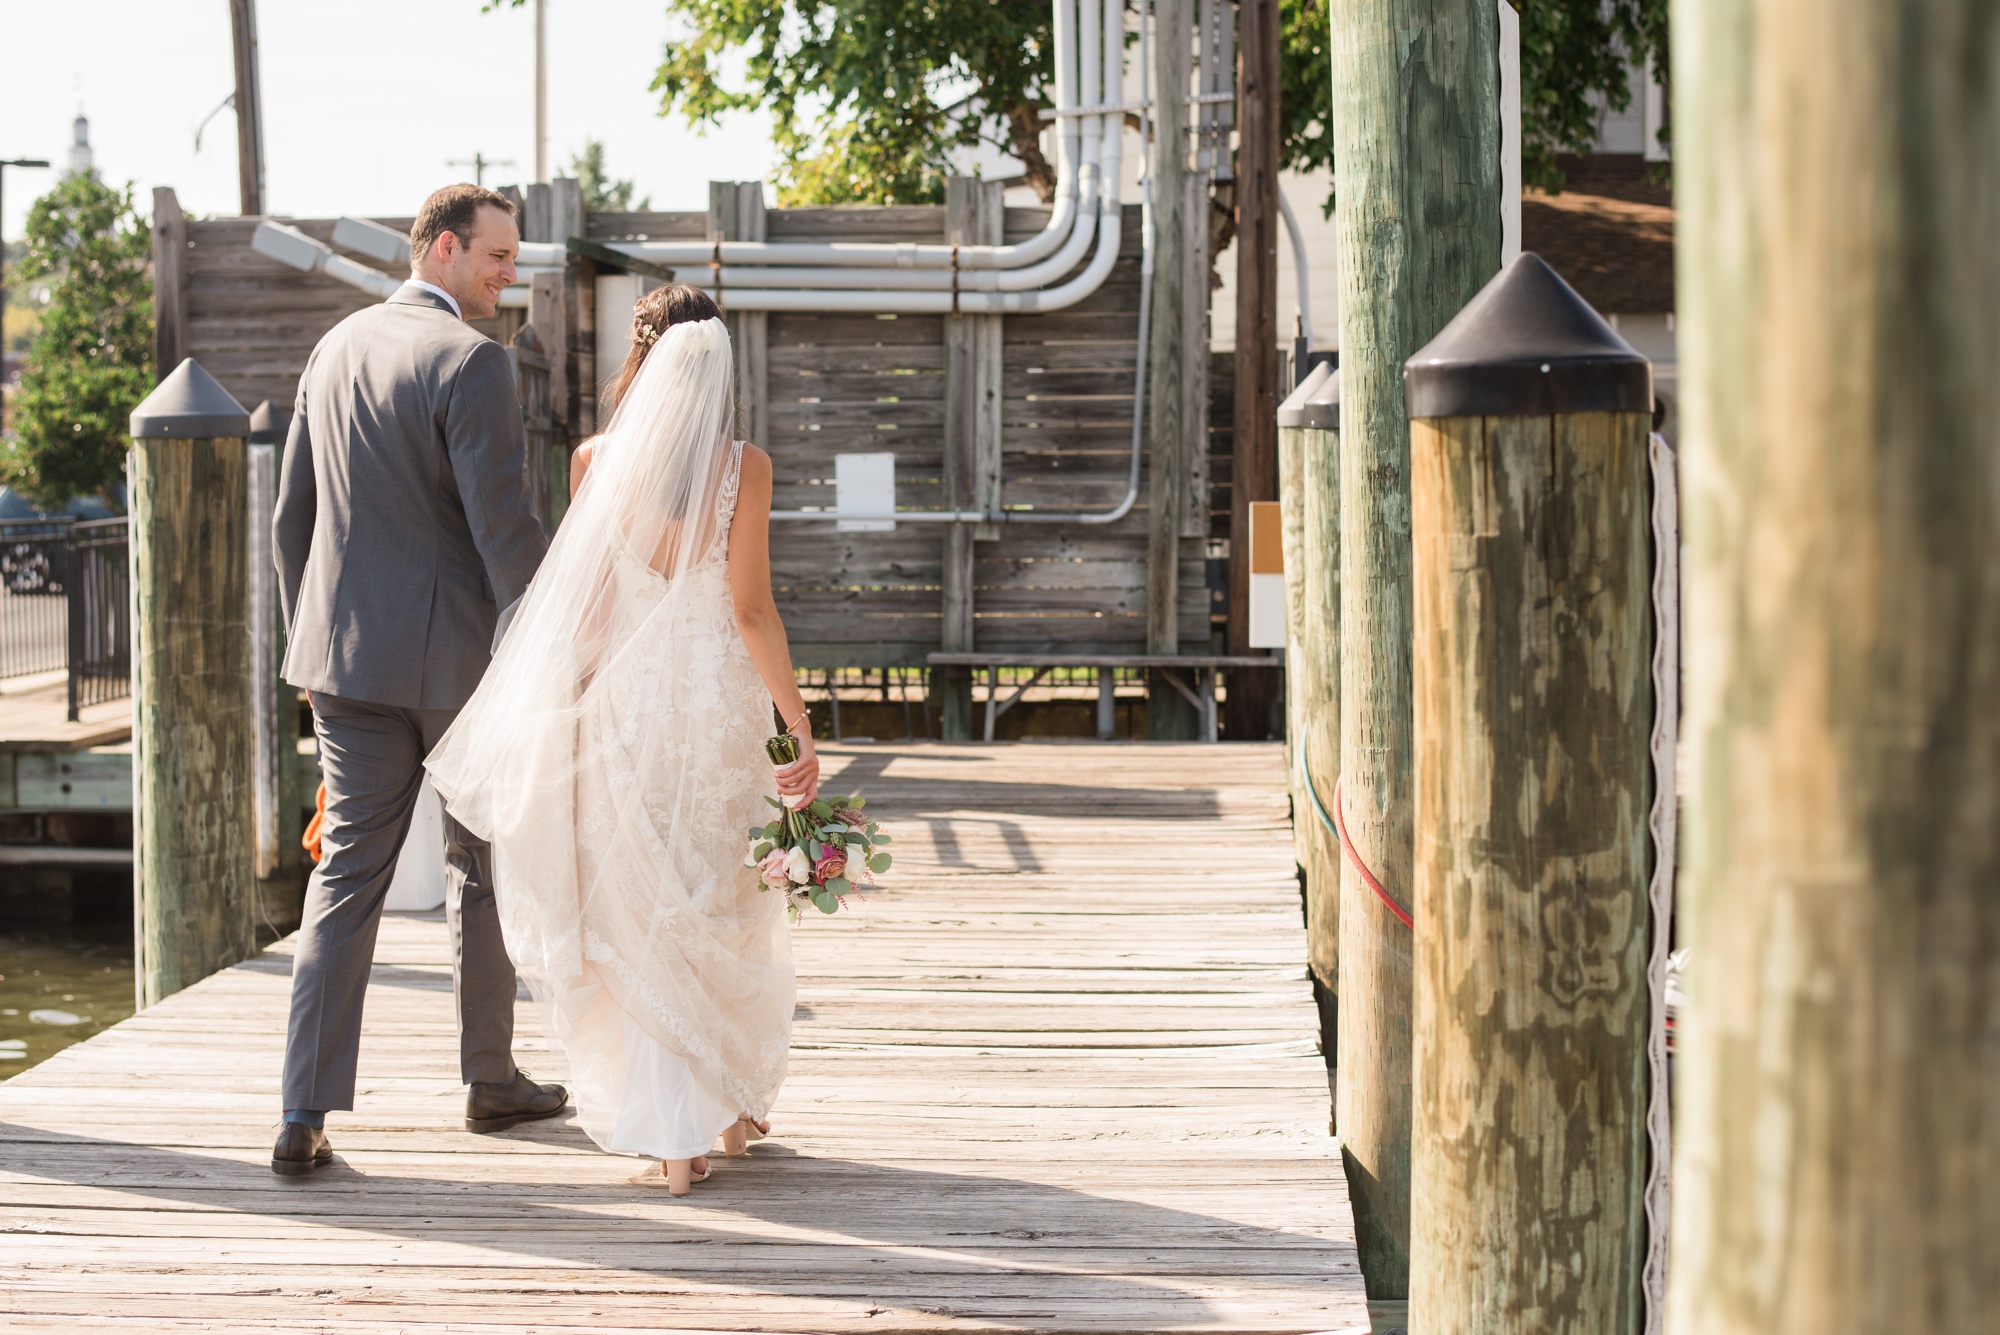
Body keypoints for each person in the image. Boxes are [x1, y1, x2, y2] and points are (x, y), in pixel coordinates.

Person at [427, 285, 820, 1195]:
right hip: (715, 702)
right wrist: (798, 726)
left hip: (628, 704)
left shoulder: (594, 460)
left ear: (640, 356)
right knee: (716, 899)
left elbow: (593, 607)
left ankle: (682, 1135)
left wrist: (562, 712)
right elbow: (752, 610)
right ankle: (715, 1123)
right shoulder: (743, 468)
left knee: (644, 912)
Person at [269, 184, 565, 1176]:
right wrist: (546, 649)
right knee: (477, 867)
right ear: (442, 249)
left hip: (344, 666)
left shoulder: (335, 347)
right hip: (457, 672)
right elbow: (503, 531)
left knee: (343, 877)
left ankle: (303, 1111)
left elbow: (290, 521)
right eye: (496, 255)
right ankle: (489, 1079)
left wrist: (307, 650)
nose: (508, 273)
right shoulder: (473, 363)